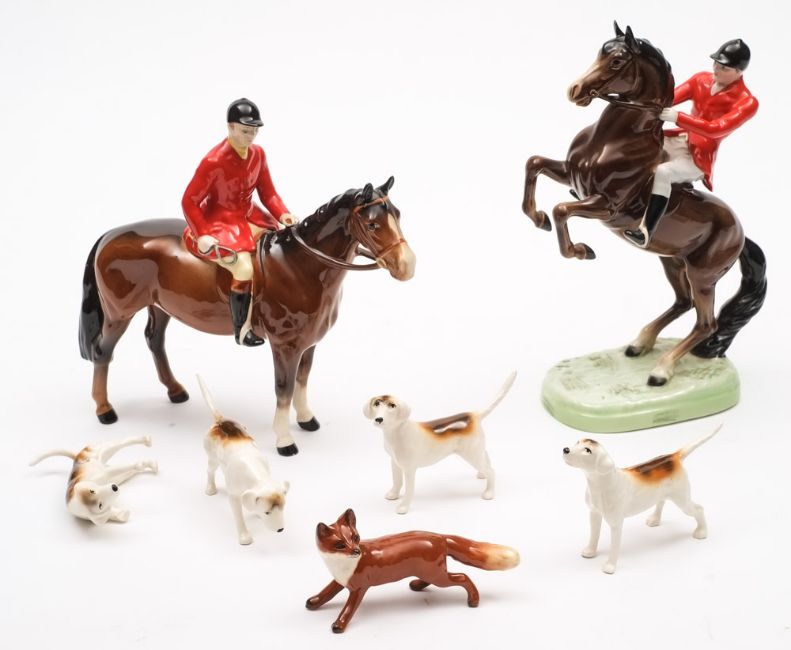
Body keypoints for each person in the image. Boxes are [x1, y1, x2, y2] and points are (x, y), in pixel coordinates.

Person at [182, 98, 298, 346]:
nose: (251, 136)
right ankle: (242, 329)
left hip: (249, 215)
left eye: (254, 130)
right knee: (243, 268)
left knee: (276, 248)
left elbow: (268, 193)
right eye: (246, 131)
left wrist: (283, 213)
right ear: (231, 127)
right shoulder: (213, 161)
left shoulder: (258, 154)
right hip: (220, 221)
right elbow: (189, 201)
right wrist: (202, 233)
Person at [624, 39, 758, 248]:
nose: (716, 69)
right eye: (716, 63)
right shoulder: (701, 80)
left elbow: (716, 129)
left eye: (723, 68)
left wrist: (679, 117)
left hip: (699, 155)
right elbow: (669, 97)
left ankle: (645, 231)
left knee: (664, 173)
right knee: (637, 145)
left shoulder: (747, 102)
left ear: (739, 72)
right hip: (679, 138)